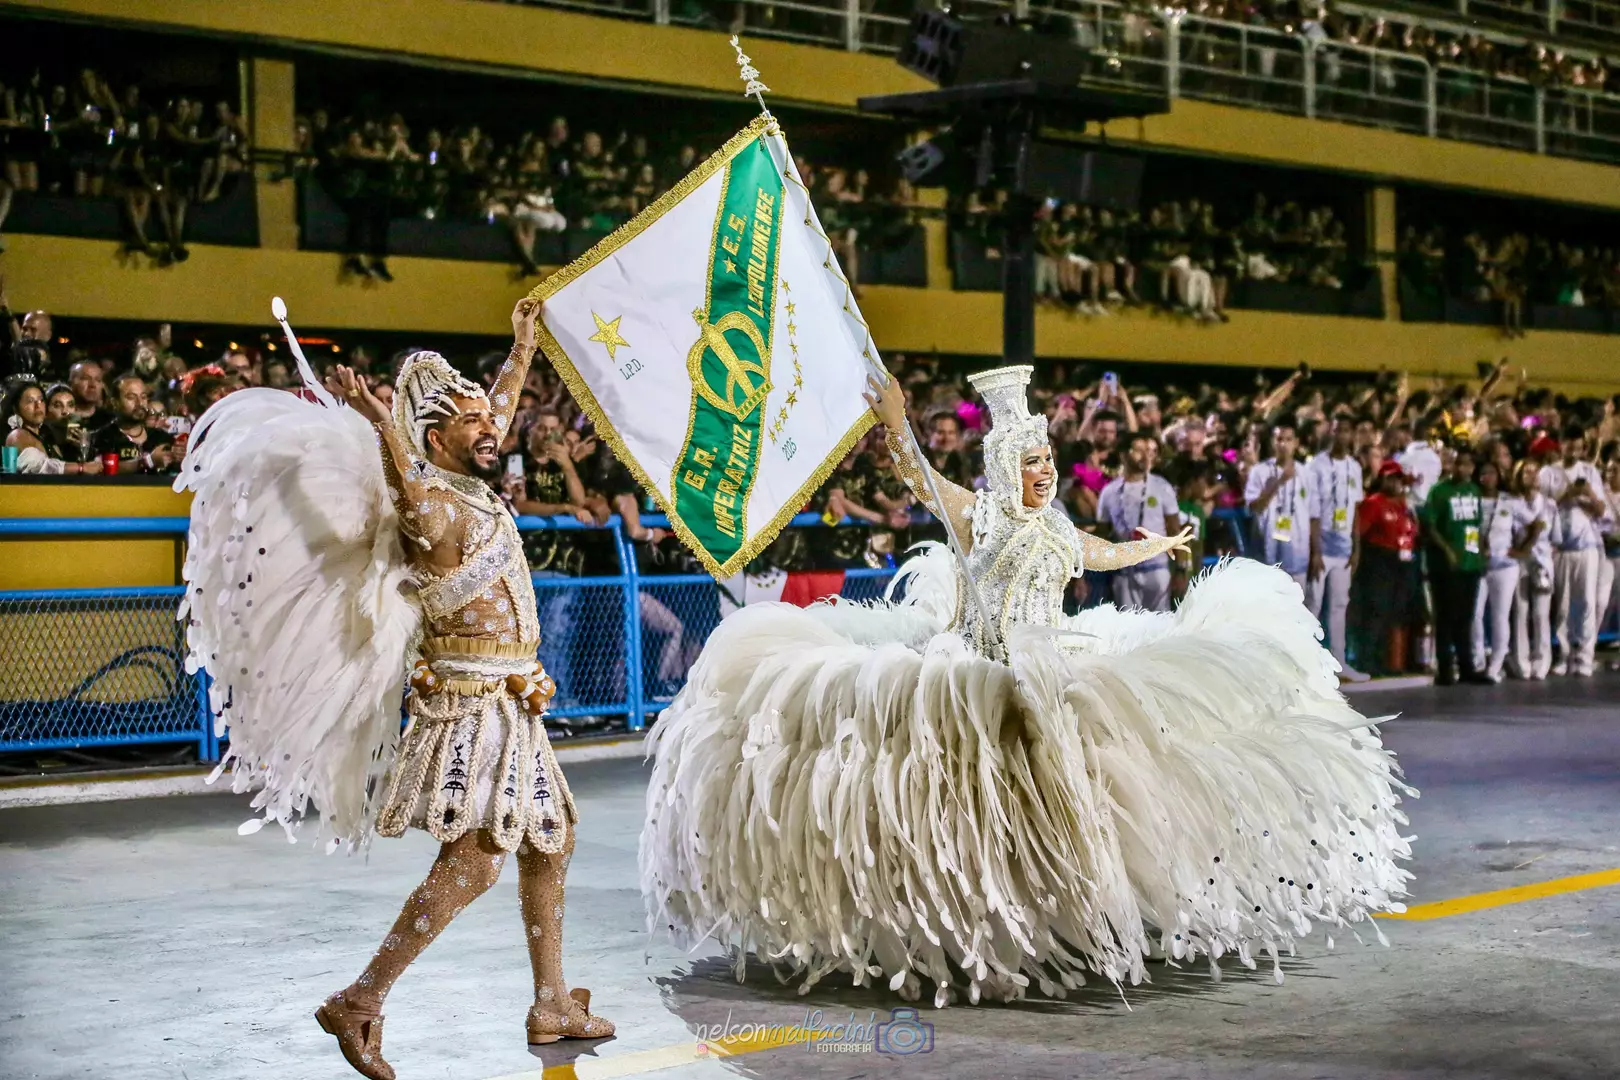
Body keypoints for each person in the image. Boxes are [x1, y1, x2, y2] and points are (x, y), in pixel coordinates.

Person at [643, 364, 1412, 1006]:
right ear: (1007, 471)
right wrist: (895, 417)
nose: (1044, 477)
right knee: (971, 796)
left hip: (1055, 665)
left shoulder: (1056, 530)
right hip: (978, 672)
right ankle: (970, 919)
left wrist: (1155, 546)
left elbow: (1101, 554)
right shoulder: (979, 516)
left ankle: (1075, 910)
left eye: (1049, 464)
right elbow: (917, 473)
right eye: (1031, 466)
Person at [177, 298, 613, 1080]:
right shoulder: (435, 510)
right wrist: (381, 421)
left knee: (551, 840)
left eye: (493, 417)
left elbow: (498, 410)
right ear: (434, 439)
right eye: (473, 423)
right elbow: (409, 487)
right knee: (476, 863)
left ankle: (551, 1002)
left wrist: (522, 345)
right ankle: (361, 998)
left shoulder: (476, 484)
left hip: (516, 702)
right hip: (471, 706)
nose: (494, 429)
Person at [1540, 428, 1609, 677]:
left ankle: (1584, 657)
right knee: (1563, 605)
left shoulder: (1590, 472)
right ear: (1561, 445)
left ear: (1583, 449)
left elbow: (1602, 510)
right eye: (1569, 445)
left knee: (1588, 601)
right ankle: (1563, 654)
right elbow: (1541, 508)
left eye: (1578, 447)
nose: (1573, 451)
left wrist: (1588, 493)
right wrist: (1566, 495)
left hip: (1587, 546)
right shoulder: (1548, 473)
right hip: (1559, 546)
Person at [1307, 418, 1367, 680]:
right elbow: (1312, 510)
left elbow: (1354, 509)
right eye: (1338, 431)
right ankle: (1306, 665)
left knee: (1339, 605)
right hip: (1322, 547)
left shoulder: (1355, 467)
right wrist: (1315, 550)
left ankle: (1339, 663)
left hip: (1343, 547)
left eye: (1347, 431)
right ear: (1331, 434)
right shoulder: (1316, 465)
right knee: (1313, 606)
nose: (1342, 436)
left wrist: (1356, 547)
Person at [1097, 430, 1182, 612]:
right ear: (1123, 454)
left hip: (1156, 569)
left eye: (1149, 451)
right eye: (1139, 450)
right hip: (1125, 572)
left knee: (1160, 628)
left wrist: (1181, 569)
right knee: (1128, 630)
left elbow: (1175, 529)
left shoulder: (1161, 486)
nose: (1146, 456)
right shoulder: (1109, 492)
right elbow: (1101, 533)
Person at [1424, 445, 1488, 685]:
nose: (1463, 468)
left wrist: (1479, 552)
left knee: (1466, 617)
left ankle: (1467, 667)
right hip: (1445, 566)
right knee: (1446, 617)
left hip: (1470, 563)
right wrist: (1448, 551)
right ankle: (1445, 669)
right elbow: (1430, 526)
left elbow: (1475, 525)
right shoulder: (1439, 491)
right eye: (1459, 463)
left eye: (1468, 464)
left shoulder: (1474, 491)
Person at [1352, 461, 1421, 676]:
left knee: (1394, 613)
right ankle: (1368, 661)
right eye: (1391, 478)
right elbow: (1359, 533)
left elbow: (1412, 532)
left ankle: (1389, 662)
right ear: (1382, 479)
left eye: (1398, 479)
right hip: (1380, 561)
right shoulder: (1374, 503)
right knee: (1376, 612)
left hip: (1402, 563)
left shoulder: (1403, 505)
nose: (1395, 483)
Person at [1245, 420, 1322, 592]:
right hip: (1267, 557)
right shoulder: (1259, 471)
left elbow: (1314, 516)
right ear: (1273, 441)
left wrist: (1316, 552)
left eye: (1288, 439)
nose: (1283, 444)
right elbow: (1253, 508)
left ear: (1296, 443)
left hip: (1298, 557)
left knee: (1296, 611)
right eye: (1279, 439)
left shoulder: (1307, 474)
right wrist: (1276, 484)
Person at [1470, 459, 1520, 683]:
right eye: (1483, 473)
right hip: (1478, 565)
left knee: (1500, 616)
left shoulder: (1509, 502)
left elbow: (1533, 524)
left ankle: (1496, 665)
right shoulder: (1471, 501)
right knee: (1475, 615)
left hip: (1505, 567)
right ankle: (1478, 662)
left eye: (1492, 472)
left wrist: (1520, 550)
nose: (1487, 477)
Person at [1508, 458, 1557, 681]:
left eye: (1534, 472)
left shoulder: (1549, 505)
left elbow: (1556, 538)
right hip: (1519, 561)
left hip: (1542, 562)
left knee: (1540, 614)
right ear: (1518, 476)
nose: (1531, 476)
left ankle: (1542, 660)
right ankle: (1521, 662)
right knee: (1520, 611)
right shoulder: (1510, 504)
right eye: (1526, 472)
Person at [3, 377, 103, 474]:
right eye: (30, 401)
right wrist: (81, 468)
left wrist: (84, 450)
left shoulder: (47, 439)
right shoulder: (17, 435)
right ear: (15, 408)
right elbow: (39, 466)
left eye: (41, 400)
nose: (38, 406)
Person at [90, 373, 175, 472]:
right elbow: (102, 469)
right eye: (131, 397)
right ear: (115, 403)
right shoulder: (103, 438)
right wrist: (147, 462)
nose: (139, 403)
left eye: (143, 397)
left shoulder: (161, 438)